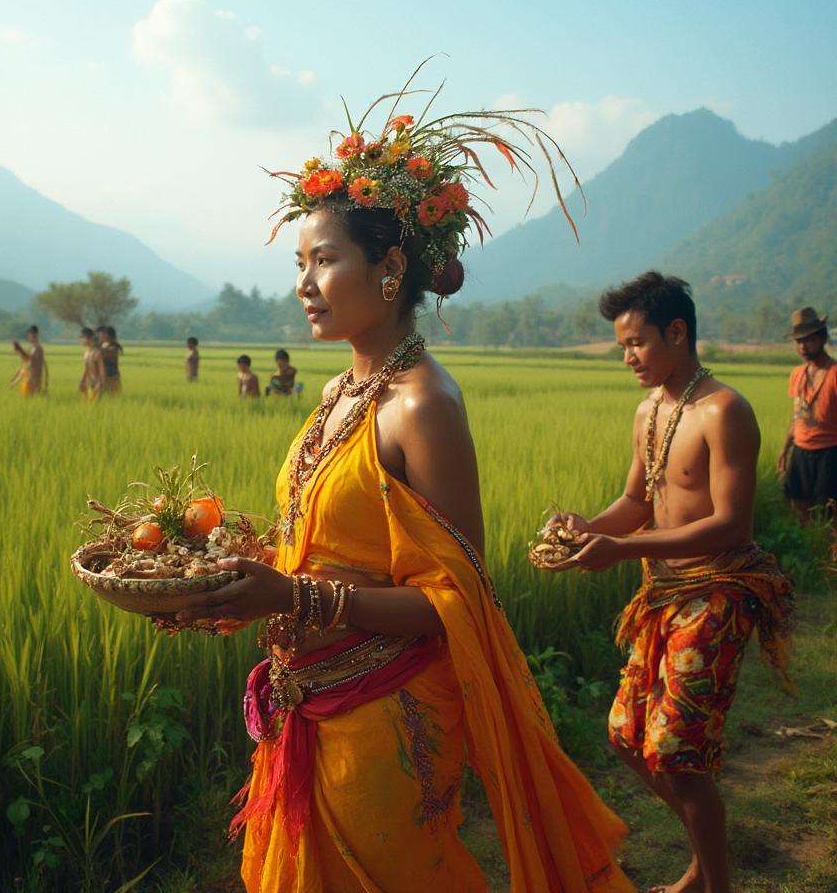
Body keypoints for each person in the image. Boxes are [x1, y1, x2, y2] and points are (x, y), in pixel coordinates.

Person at [171, 83, 634, 893]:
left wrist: (298, 597)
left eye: (325, 260)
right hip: (305, 699)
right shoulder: (333, 397)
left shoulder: (423, 404)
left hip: (389, 718)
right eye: (299, 263)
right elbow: (318, 546)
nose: (304, 284)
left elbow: (459, 598)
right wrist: (228, 579)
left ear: (390, 268)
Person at [548, 271, 794, 893]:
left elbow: (731, 525)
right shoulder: (649, 409)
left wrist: (622, 548)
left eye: (636, 343)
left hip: (717, 593)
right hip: (661, 595)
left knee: (680, 759)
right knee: (626, 737)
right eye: (622, 345)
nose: (627, 356)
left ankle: (715, 883)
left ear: (677, 332)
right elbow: (636, 500)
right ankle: (703, 855)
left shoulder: (724, 410)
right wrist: (584, 529)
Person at [776, 307, 837, 540]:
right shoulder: (797, 374)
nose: (803, 346)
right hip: (801, 451)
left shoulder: (834, 373)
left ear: (822, 337)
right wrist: (785, 449)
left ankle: (832, 565)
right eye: (799, 341)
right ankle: (809, 549)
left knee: (831, 513)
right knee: (798, 505)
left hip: (830, 452)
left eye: (809, 340)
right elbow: (797, 416)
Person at [10, 325, 47, 397]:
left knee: (32, 401)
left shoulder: (38, 348)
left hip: (33, 381)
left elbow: (29, 360)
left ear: (35, 334)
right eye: (29, 335)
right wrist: (19, 350)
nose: (29, 337)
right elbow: (26, 361)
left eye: (30, 334)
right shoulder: (32, 348)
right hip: (28, 380)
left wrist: (19, 349)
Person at [79, 327, 105, 400]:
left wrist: (102, 385)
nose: (81, 340)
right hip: (89, 384)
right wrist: (82, 381)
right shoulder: (86, 353)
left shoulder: (97, 353)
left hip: (97, 384)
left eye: (82, 337)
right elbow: (86, 369)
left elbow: (102, 371)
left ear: (89, 338)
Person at [98, 325, 124, 397]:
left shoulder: (114, 347)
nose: (100, 336)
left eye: (102, 334)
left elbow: (106, 354)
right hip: (102, 376)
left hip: (111, 377)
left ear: (107, 335)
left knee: (111, 398)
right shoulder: (103, 345)